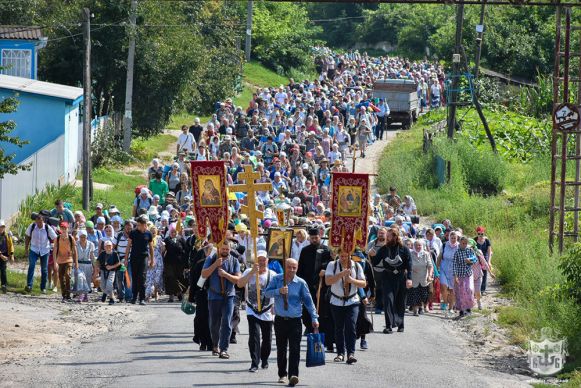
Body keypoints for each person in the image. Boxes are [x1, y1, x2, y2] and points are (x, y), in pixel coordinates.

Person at [263, 258, 319, 387]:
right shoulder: (277, 279)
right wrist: (278, 291)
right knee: (281, 349)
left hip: (295, 321)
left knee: (295, 349)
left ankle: (293, 375)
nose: (292, 270)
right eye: (289, 267)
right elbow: (266, 293)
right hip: (280, 320)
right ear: (285, 266)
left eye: (294, 267)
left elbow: (308, 302)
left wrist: (314, 317)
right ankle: (282, 374)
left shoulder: (300, 283)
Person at [236, 250, 276, 372]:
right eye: (259, 260)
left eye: (264, 260)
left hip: (267, 309)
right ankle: (254, 362)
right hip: (252, 309)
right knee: (254, 336)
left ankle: (264, 359)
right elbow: (239, 284)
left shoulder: (273, 274)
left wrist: (275, 306)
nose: (262, 262)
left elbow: (277, 291)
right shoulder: (249, 271)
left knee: (267, 338)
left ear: (267, 261)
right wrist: (252, 272)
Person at [201, 240, 241, 359]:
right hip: (214, 295)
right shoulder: (212, 258)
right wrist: (215, 265)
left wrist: (225, 275)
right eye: (223, 249)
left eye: (227, 249)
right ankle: (215, 345)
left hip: (229, 295)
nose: (225, 251)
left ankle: (224, 349)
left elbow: (238, 280)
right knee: (214, 323)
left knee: (227, 323)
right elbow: (204, 274)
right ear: (219, 248)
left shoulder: (234, 260)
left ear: (230, 249)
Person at [325, 250, 367, 365]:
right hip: (336, 301)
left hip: (352, 301)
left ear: (350, 256)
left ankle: (351, 353)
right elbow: (328, 281)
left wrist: (351, 280)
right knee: (339, 328)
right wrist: (341, 275)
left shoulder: (356, 265)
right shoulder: (332, 265)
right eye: (342, 256)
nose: (344, 258)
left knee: (351, 326)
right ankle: (340, 353)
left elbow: (363, 283)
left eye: (346, 256)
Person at [372, 227, 412, 333]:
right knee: (388, 301)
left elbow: (409, 265)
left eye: (389, 236)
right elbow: (375, 262)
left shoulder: (404, 249)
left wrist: (409, 279)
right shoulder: (384, 249)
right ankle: (389, 325)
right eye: (387, 236)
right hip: (387, 277)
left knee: (400, 302)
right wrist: (372, 255)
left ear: (395, 236)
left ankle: (400, 324)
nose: (387, 238)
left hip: (401, 277)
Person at [124, 216, 155, 305]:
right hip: (134, 257)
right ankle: (134, 297)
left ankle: (142, 298)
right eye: (137, 225)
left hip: (144, 258)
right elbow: (128, 246)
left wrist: (152, 260)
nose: (137, 226)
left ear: (144, 225)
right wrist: (126, 259)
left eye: (139, 225)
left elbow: (151, 248)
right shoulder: (133, 233)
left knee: (142, 277)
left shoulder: (148, 234)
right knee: (135, 277)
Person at [24, 213, 58, 293]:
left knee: (44, 269)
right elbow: (27, 237)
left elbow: (55, 238)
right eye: (37, 222)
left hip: (45, 250)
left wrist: (54, 247)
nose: (39, 224)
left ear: (43, 221)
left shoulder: (47, 227)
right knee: (31, 266)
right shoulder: (32, 226)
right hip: (34, 249)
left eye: (41, 222)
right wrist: (26, 249)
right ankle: (29, 285)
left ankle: (43, 288)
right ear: (35, 221)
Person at [453, 236, 477, 319]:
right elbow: (454, 265)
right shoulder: (457, 252)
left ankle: (468, 308)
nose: (464, 245)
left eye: (466, 243)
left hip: (468, 273)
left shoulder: (469, 250)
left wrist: (470, 260)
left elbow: (475, 259)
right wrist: (455, 276)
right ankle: (462, 310)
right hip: (459, 274)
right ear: (460, 243)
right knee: (460, 292)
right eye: (463, 243)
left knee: (469, 290)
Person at [408, 239, 433, 316]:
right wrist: (410, 269)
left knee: (424, 295)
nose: (418, 247)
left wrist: (429, 275)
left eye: (419, 245)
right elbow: (407, 264)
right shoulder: (410, 253)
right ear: (414, 246)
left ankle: (421, 307)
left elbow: (430, 266)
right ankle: (415, 309)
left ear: (422, 246)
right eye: (416, 245)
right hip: (414, 278)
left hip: (423, 278)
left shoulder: (426, 254)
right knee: (414, 294)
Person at [54, 222, 78, 302]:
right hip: (60, 260)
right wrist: (55, 262)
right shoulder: (57, 238)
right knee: (61, 277)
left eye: (65, 228)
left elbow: (75, 251)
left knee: (68, 275)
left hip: (69, 259)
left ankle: (68, 293)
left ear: (68, 229)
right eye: (62, 228)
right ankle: (64, 295)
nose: (63, 230)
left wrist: (76, 262)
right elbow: (54, 251)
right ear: (60, 229)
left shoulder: (71, 238)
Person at [162, 226, 187, 302]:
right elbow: (163, 251)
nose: (173, 233)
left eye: (174, 232)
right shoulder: (166, 240)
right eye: (172, 232)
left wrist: (186, 264)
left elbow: (185, 251)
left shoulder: (181, 239)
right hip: (169, 262)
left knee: (180, 278)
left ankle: (180, 294)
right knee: (170, 278)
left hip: (180, 263)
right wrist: (163, 247)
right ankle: (171, 296)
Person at [438, 231, 459, 318]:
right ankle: (445, 301)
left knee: (452, 290)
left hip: (454, 270)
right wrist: (437, 268)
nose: (453, 240)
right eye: (452, 238)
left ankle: (450, 307)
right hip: (444, 268)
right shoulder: (444, 245)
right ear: (449, 238)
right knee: (443, 287)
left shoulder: (459, 246)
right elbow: (440, 256)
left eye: (455, 238)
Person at [97, 240, 122, 305]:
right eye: (107, 246)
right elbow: (97, 261)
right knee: (102, 286)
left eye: (109, 246)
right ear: (104, 247)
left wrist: (111, 267)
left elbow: (119, 263)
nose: (108, 247)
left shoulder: (115, 253)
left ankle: (111, 298)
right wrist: (97, 269)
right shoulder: (102, 253)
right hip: (103, 271)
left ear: (112, 246)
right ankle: (105, 293)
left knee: (109, 284)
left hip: (111, 271)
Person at [75, 230, 95, 302]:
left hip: (88, 264)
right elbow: (75, 255)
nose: (83, 238)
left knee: (87, 280)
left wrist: (94, 266)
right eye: (81, 237)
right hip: (79, 264)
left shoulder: (91, 244)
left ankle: (86, 295)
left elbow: (92, 256)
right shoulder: (76, 244)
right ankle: (81, 295)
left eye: (84, 237)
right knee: (80, 279)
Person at [474, 226, 493, 294]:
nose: (480, 235)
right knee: (477, 274)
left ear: (484, 233)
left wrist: (489, 261)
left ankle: (482, 290)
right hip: (476, 259)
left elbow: (489, 252)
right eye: (479, 234)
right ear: (477, 233)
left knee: (484, 274)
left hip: (484, 258)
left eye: (482, 234)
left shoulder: (487, 241)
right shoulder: (474, 240)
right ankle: (476, 289)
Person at [0, 220, 15, 293]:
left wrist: (11, 255)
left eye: (3, 227)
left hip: (4, 254)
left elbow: (11, 245)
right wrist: (1, 255)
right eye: (0, 227)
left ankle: (4, 285)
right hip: (1, 254)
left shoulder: (7, 235)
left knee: (3, 269)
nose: (2, 228)